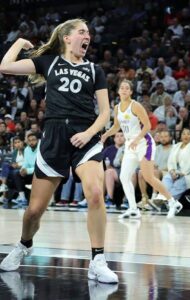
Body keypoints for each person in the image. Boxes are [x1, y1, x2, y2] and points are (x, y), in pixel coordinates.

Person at [0, 19, 118, 283]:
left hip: (84, 137)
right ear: (66, 37)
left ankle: (98, 259)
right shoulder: (49, 62)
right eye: (82, 32)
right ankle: (23, 244)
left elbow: (106, 113)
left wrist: (89, 133)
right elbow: (4, 66)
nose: (87, 36)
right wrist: (20, 41)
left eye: (89, 33)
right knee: (33, 212)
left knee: (96, 193)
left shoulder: (94, 69)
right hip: (54, 138)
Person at [101, 79, 183, 219]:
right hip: (130, 144)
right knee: (124, 177)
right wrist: (105, 135)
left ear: (131, 92)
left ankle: (173, 202)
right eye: (122, 88)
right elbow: (116, 126)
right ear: (119, 91)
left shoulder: (136, 106)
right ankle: (133, 208)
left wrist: (137, 139)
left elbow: (147, 126)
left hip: (144, 143)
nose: (124, 90)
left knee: (148, 176)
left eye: (127, 88)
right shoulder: (116, 107)